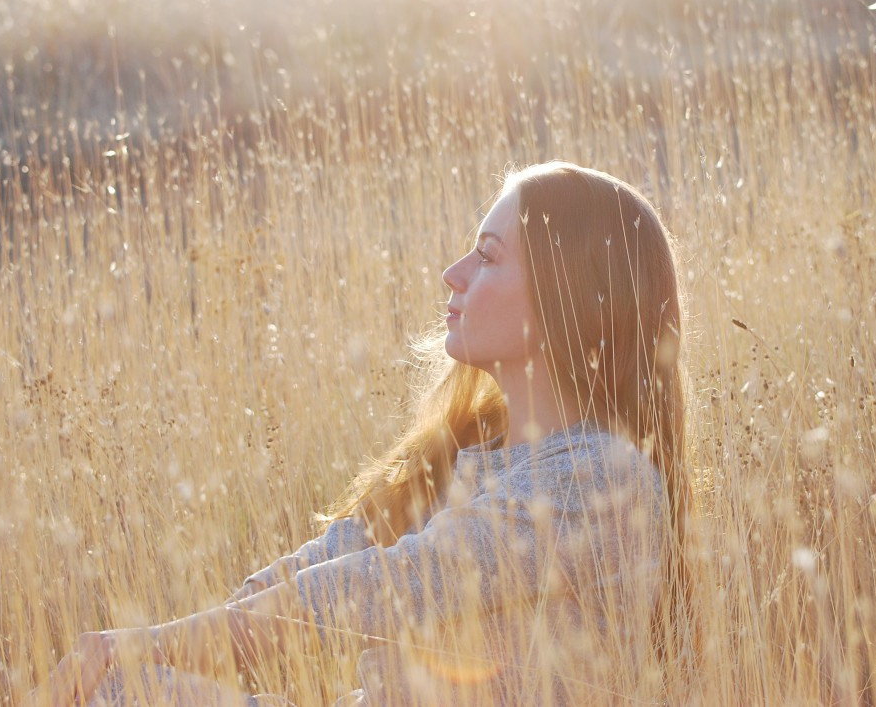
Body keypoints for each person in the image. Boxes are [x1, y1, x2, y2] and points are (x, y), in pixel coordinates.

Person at [34, 161, 690, 706]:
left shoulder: (603, 475)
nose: (453, 273)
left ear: (567, 293)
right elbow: (324, 560)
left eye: (487, 256)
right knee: (116, 688)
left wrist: (154, 642)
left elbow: (383, 586)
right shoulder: (469, 460)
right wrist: (182, 639)